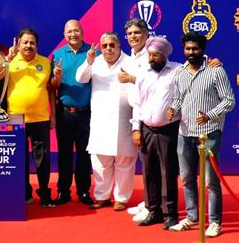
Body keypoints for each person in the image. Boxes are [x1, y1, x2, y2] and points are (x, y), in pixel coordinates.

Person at [166, 32, 235, 238]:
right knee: (187, 178)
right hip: (184, 133)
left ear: (202, 50)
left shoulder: (216, 71)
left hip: (209, 134)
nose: (191, 52)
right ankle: (192, 216)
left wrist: (210, 115)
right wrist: (172, 109)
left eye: (195, 49)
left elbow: (229, 101)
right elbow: (179, 98)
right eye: (188, 49)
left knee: (210, 182)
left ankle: (214, 222)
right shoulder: (180, 72)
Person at [75, 32, 137, 211]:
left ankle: (121, 198)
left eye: (112, 45)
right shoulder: (96, 61)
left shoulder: (130, 62)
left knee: (124, 161)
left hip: (124, 119)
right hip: (101, 119)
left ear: (119, 46)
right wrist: (88, 61)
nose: (108, 49)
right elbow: (80, 78)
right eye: (105, 46)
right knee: (100, 161)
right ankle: (102, 196)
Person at [131, 37, 181, 230]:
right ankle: (154, 211)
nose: (152, 58)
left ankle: (170, 215)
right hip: (146, 129)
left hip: (169, 130)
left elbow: (198, 64)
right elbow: (137, 103)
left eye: (155, 55)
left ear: (164, 55)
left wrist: (212, 62)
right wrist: (136, 128)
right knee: (149, 172)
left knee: (168, 172)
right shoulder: (143, 74)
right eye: (150, 54)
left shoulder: (177, 71)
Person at [7, 28, 56, 208]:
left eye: (32, 42)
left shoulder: (45, 62)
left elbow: (51, 91)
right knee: (19, 160)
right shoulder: (9, 63)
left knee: (42, 160)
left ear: (37, 45)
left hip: (40, 119)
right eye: (25, 42)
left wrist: (53, 116)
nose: (29, 45)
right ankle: (24, 193)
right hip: (15, 119)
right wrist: (6, 61)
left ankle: (44, 194)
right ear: (18, 44)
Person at [50, 20, 96, 205]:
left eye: (76, 30)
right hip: (65, 113)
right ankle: (63, 191)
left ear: (82, 32)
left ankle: (84, 191)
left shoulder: (94, 53)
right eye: (69, 31)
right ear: (64, 34)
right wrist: (57, 78)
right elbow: (53, 87)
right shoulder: (58, 54)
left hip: (86, 113)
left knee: (85, 154)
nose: (73, 34)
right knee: (64, 154)